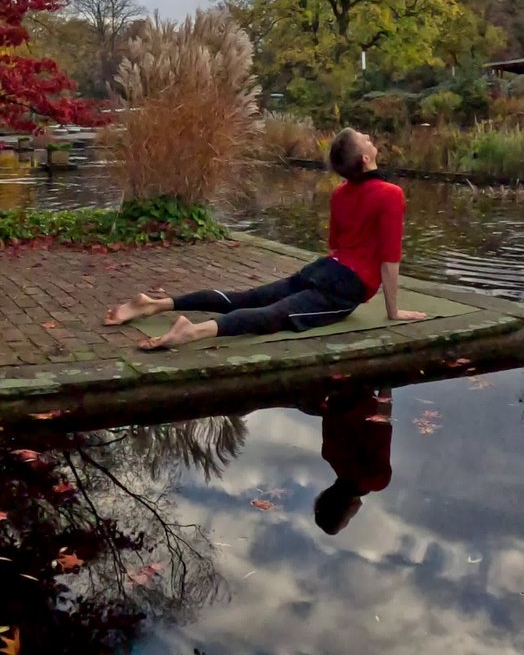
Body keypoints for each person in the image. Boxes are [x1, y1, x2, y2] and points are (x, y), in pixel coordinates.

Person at [105, 127, 428, 349]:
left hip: (324, 269)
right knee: (278, 316)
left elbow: (335, 246)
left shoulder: (341, 193)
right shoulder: (390, 194)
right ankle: (193, 332)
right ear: (366, 159)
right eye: (365, 139)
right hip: (346, 287)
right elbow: (389, 260)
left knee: (247, 297)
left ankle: (156, 305)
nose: (370, 138)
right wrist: (393, 311)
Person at [304, 388, 394, 535]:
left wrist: (387, 385)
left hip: (362, 388)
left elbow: (382, 420)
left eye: (348, 519)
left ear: (347, 509)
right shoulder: (329, 455)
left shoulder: (375, 479)